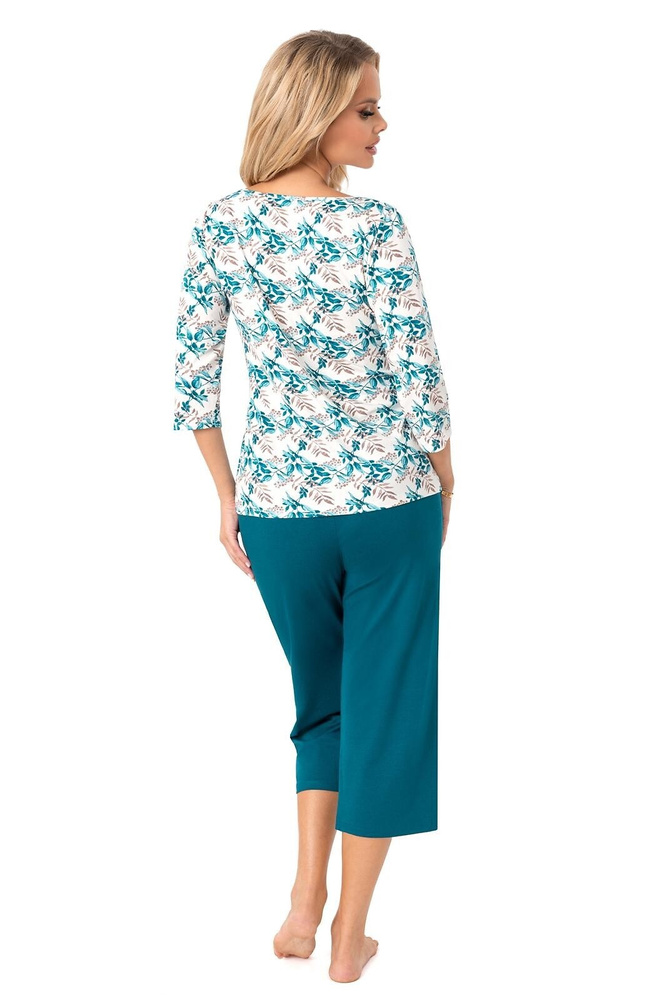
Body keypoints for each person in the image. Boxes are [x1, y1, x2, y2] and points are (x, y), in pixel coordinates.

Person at [173, 29, 455, 984]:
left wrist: (227, 499)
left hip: (278, 514)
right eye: (366, 107)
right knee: (388, 712)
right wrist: (446, 481)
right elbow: (419, 379)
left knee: (321, 705)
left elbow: (192, 386)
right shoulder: (373, 227)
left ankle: (302, 903)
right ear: (315, 110)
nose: (382, 124)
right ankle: (347, 936)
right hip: (388, 505)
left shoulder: (221, 224)